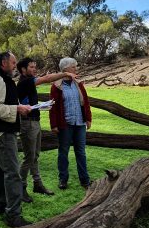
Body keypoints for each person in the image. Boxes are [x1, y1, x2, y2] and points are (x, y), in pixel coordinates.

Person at [0, 52, 33, 228]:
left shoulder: (0, 77)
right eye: (13, 62)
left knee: (0, 171)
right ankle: (14, 216)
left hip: (2, 131)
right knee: (12, 173)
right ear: (4, 63)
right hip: (2, 133)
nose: (15, 65)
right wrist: (17, 109)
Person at [16, 57, 77, 201]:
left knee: (35, 156)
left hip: (34, 122)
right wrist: (65, 74)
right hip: (27, 124)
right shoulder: (25, 81)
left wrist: (42, 105)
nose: (34, 69)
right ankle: (21, 187)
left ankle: (37, 184)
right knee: (28, 157)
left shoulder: (28, 83)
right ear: (23, 70)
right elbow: (47, 78)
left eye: (34, 66)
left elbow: (28, 103)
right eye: (31, 67)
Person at [49, 57, 92, 190]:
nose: (75, 69)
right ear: (66, 69)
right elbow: (53, 107)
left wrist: (88, 118)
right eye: (73, 67)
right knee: (63, 152)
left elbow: (85, 102)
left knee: (81, 152)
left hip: (79, 123)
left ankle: (85, 180)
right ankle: (63, 180)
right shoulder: (56, 86)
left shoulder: (78, 84)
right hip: (65, 124)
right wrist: (54, 125)